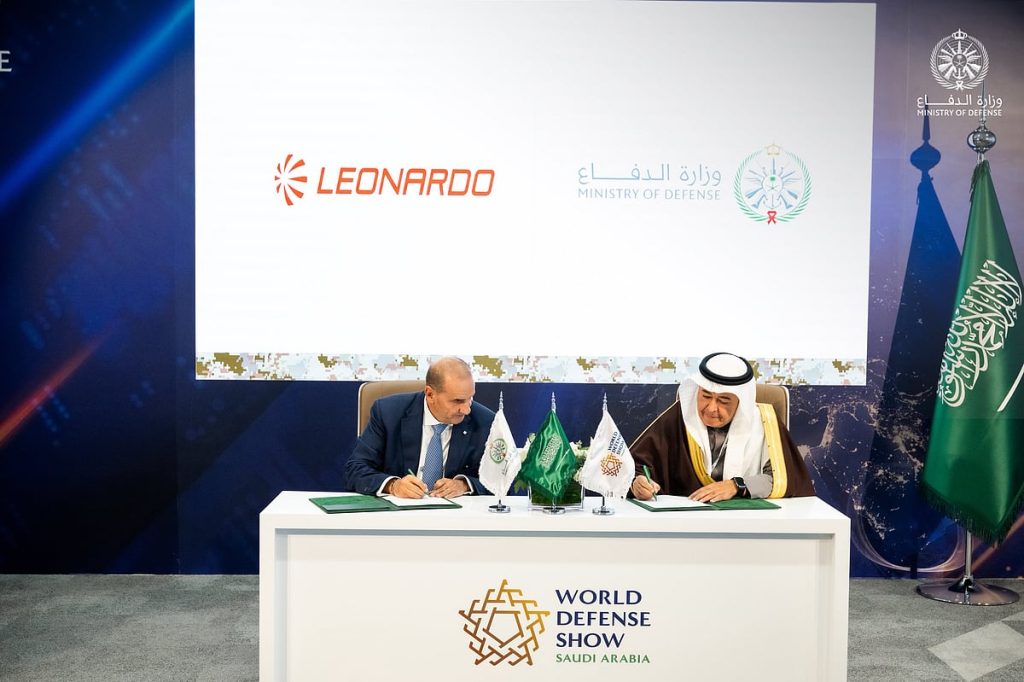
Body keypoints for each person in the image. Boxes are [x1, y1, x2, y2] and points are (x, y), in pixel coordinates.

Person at [630, 352, 814, 502]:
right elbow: (637, 466)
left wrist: (736, 486)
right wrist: (638, 483)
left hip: (750, 523)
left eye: (723, 400)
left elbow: (781, 479)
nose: (711, 408)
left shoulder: (765, 422)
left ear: (741, 402)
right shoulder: (681, 417)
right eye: (706, 396)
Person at [345, 356, 496, 498]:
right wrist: (393, 486)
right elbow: (355, 469)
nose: (466, 410)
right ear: (430, 394)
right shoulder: (388, 413)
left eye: (470, 398)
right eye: (457, 401)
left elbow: (501, 481)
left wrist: (465, 485)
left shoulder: (486, 422)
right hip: (399, 511)